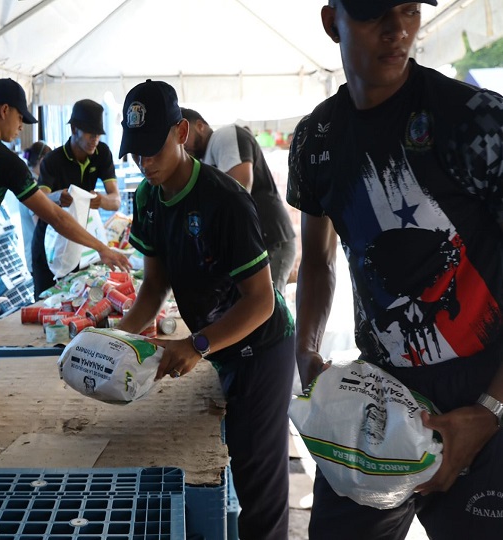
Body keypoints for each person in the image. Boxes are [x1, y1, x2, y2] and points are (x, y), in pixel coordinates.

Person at [287, 1, 503, 538]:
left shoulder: (474, 119)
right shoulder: (317, 140)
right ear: (331, 20)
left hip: (484, 386)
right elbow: (316, 257)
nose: (396, 29)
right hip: (380, 390)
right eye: (370, 12)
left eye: (408, 8)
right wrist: (306, 348)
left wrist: (492, 408)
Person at [116, 79, 295, 540]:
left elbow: (261, 300)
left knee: (259, 476)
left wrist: (197, 343)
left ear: (180, 132)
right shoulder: (147, 198)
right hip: (216, 343)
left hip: (262, 344)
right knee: (229, 453)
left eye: (153, 149)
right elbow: (154, 286)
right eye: (136, 152)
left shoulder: (224, 200)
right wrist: (118, 336)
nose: (145, 162)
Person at [0, 78, 130, 317]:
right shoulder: (6, 160)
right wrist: (100, 248)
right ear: (4, 110)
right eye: (21, 118)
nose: (21, 126)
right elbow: (55, 216)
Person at [181, 107, 297, 294]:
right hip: (256, 244)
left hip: (270, 240)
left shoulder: (225, 135)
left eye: (185, 133)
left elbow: (239, 188)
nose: (182, 143)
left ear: (200, 126)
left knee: (267, 314)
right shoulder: (206, 159)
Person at [30, 99, 122, 298]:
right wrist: (57, 197)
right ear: (74, 129)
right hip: (50, 241)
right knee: (46, 299)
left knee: (81, 297)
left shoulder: (102, 153)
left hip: (81, 239)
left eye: (98, 134)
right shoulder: (53, 160)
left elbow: (116, 201)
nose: (94, 140)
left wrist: (100, 200)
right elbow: (39, 200)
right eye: (90, 133)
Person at [18, 141, 51, 274]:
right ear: (43, 160)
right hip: (39, 258)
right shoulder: (34, 188)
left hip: (35, 256)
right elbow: (40, 224)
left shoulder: (29, 182)